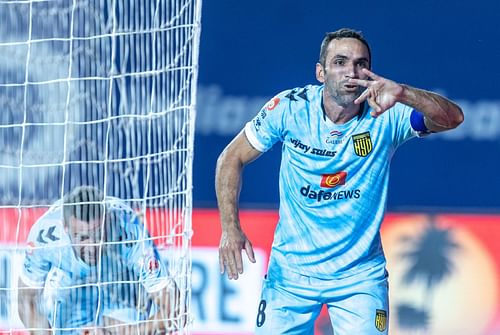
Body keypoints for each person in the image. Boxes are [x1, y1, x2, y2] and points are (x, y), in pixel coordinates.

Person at [216, 28, 463, 334]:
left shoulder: (386, 114)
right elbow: (230, 158)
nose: (352, 72)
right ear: (321, 72)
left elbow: (453, 118)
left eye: (361, 64)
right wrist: (230, 229)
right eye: (340, 62)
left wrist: (404, 93)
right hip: (291, 276)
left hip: (358, 278)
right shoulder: (290, 109)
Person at [18, 186, 184, 335]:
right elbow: (26, 302)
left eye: (98, 236)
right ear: (65, 228)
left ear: (107, 222)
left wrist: (134, 331)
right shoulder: (45, 238)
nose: (92, 247)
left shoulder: (130, 232)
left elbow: (176, 310)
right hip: (71, 289)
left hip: (121, 287)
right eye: (82, 238)